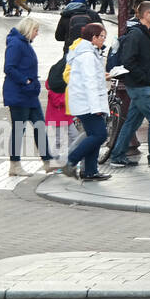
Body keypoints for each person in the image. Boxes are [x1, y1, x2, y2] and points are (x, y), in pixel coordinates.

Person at [108, 1, 150, 167]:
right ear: (145, 15)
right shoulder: (136, 35)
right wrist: (144, 78)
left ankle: (117, 155)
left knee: (132, 122)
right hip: (140, 86)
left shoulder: (145, 33)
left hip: (140, 85)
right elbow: (128, 61)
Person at [4, 17, 56, 176]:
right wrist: (25, 81)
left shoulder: (24, 43)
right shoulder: (16, 44)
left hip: (29, 94)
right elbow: (9, 68)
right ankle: (14, 165)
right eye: (35, 30)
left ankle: (48, 162)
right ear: (28, 29)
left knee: (39, 126)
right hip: (19, 94)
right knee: (19, 130)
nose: (37, 34)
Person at [62, 22, 112, 181]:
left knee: (94, 135)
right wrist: (96, 107)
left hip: (84, 103)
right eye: (102, 36)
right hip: (87, 104)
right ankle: (71, 161)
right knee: (100, 135)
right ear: (93, 37)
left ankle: (90, 171)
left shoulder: (87, 53)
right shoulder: (88, 56)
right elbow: (90, 83)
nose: (104, 39)